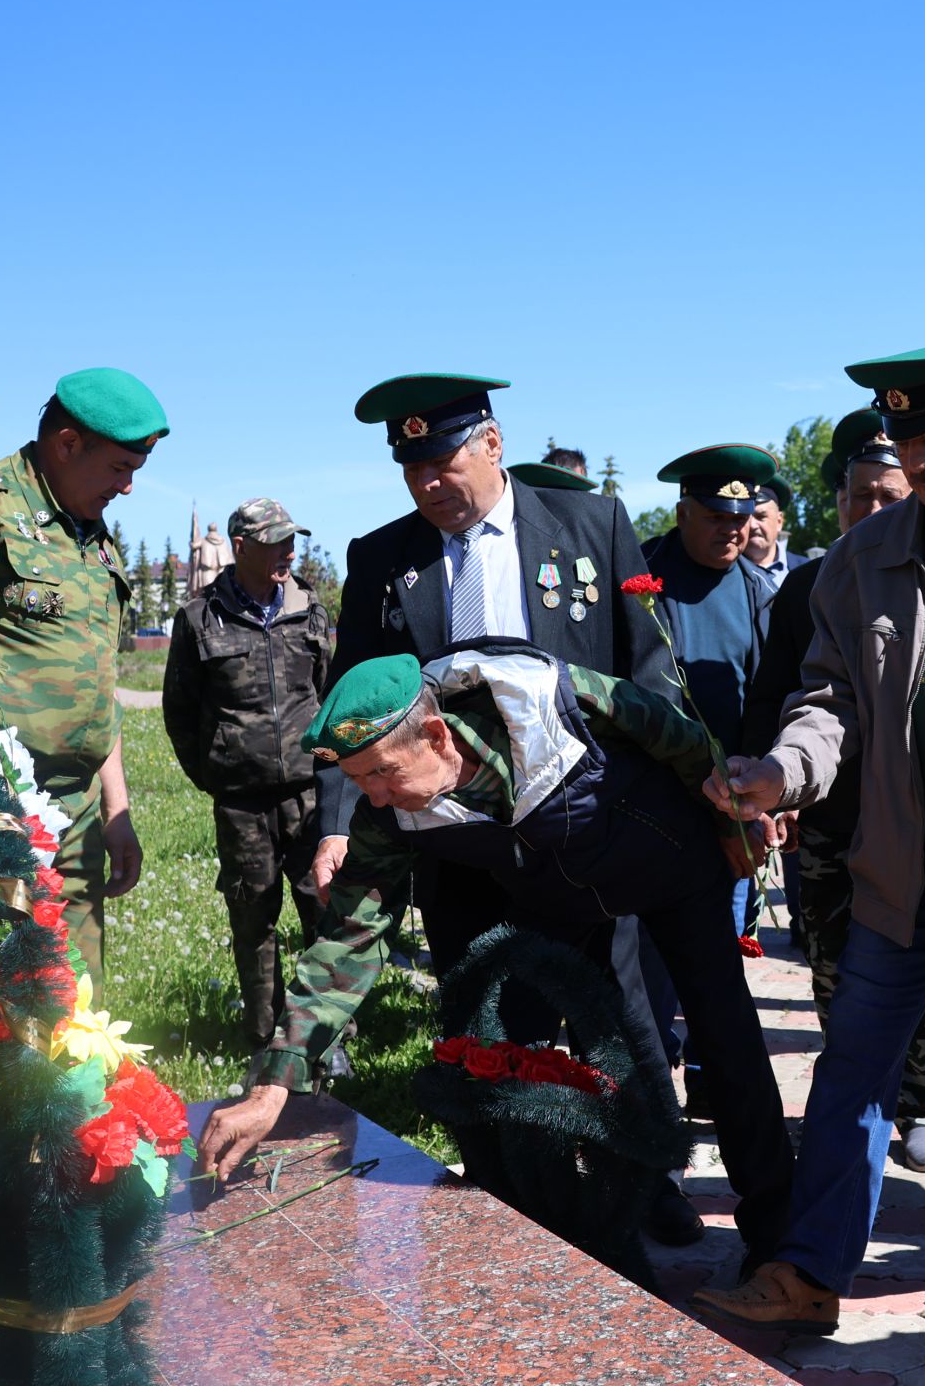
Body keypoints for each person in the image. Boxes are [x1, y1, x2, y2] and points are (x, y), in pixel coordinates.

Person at [196, 648, 794, 1276]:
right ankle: (580, 1208)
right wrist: (274, 1084)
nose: (373, 796)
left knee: (725, 1041)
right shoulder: (390, 811)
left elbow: (680, 737)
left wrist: (733, 821)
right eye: (358, 779)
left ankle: (777, 1242)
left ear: (435, 735)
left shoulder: (559, 701)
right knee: (512, 1048)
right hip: (561, 900)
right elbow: (347, 941)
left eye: (381, 773)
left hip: (673, 865)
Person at [691, 338, 925, 1333]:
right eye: (905, 440)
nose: (921, 460)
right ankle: (808, 1272)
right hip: (910, 848)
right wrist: (779, 772)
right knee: (854, 1058)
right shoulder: (862, 558)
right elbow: (829, 699)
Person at [316, 372, 698, 1243]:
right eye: (411, 470)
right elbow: (354, 708)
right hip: (460, 842)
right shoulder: (382, 558)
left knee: (621, 1012)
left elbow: (647, 673)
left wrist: (668, 802)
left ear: (491, 443)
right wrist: (340, 823)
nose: (428, 484)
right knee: (485, 1011)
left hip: (588, 830)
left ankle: (650, 1175)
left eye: (443, 461)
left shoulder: (591, 525)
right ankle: (506, 1180)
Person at [740, 409, 925, 1175]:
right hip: (832, 814)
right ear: (837, 501)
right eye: (858, 496)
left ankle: (923, 1105)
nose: (871, 511)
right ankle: (854, 1101)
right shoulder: (809, 584)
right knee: (835, 962)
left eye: (887, 494)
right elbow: (776, 696)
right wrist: (779, 790)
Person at [0, 367, 168, 992]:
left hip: (75, 812)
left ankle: (84, 1094)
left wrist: (117, 808)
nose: (129, 487)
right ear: (67, 443)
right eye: (119, 467)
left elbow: (96, 683)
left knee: (72, 994)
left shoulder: (96, 543)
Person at [161, 498, 334, 1051]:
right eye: (275, 542)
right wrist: (215, 772)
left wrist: (332, 774)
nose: (288, 551)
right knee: (253, 921)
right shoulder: (198, 617)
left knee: (322, 914)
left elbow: (330, 698)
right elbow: (179, 711)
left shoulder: (311, 609)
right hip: (241, 805)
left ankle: (326, 1038)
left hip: (310, 796)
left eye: (292, 541)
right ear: (240, 547)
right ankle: (264, 1040)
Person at [639, 444, 780, 1114]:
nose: (735, 531)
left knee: (719, 959)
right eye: (718, 518)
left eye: (743, 518)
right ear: (683, 513)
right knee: (649, 966)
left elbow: (772, 695)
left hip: (732, 811)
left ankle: (708, 1080)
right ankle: (646, 1092)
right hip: (652, 806)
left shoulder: (757, 589)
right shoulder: (642, 574)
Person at [744, 475, 793, 585]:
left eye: (761, 517)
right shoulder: (720, 571)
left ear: (779, 522)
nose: (752, 525)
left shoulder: (810, 571)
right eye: (745, 517)